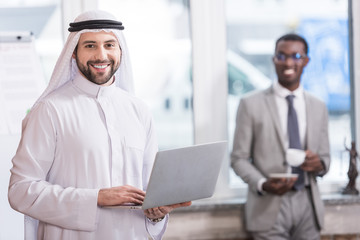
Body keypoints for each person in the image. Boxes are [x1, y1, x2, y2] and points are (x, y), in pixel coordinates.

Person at [8, 10, 190, 240]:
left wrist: (156, 213)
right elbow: (21, 191)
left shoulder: (139, 111)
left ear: (120, 50)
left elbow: (147, 192)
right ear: (74, 53)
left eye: (109, 45)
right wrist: (97, 198)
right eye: (90, 45)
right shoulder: (50, 110)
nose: (101, 55)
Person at [231, 33, 330, 240]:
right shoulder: (251, 104)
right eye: (281, 56)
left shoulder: (318, 106)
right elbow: (238, 158)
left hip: (308, 205)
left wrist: (318, 164)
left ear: (306, 61)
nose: (288, 62)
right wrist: (262, 183)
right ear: (274, 59)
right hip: (268, 206)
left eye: (295, 56)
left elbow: (325, 159)